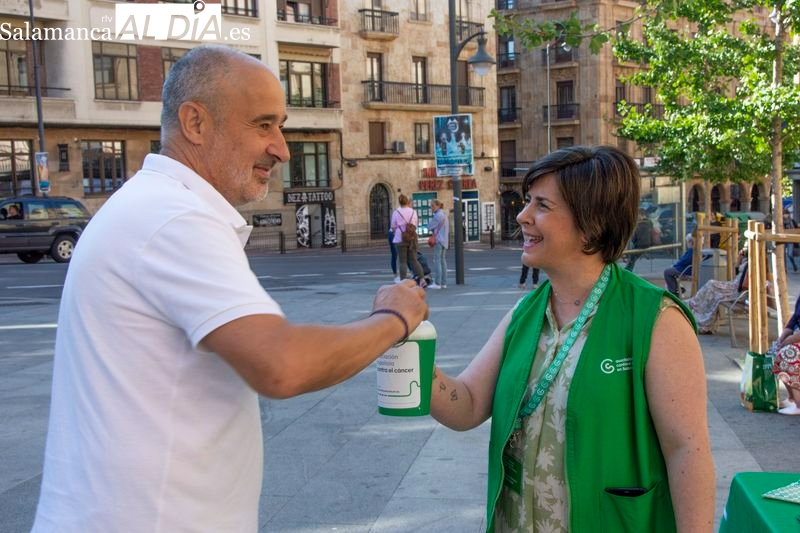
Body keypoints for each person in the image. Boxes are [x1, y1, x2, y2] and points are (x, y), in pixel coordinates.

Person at [31, 45, 429, 532]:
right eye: (263, 125)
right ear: (195, 123)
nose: (281, 148)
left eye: (280, 127)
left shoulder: (152, 205)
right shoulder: (173, 218)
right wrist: (394, 319)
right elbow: (282, 366)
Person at [429, 146, 714, 532]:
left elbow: (688, 451)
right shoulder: (525, 314)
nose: (523, 216)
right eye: (529, 201)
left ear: (590, 223)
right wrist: (406, 350)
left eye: (542, 205)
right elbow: (468, 403)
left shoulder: (656, 321)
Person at [685, 247, 748, 334]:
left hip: (737, 290)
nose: (743, 250)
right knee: (714, 294)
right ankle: (705, 323)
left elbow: (744, 285)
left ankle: (694, 304)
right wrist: (739, 259)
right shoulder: (747, 261)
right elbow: (737, 272)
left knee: (712, 285)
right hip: (734, 286)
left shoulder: (754, 264)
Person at [771, 293, 800, 415]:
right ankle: (792, 397)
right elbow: (794, 319)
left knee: (787, 355)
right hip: (796, 334)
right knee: (774, 352)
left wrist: (789, 340)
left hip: (797, 337)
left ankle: (799, 404)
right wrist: (781, 339)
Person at [391, 194, 426, 287]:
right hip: (412, 238)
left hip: (400, 238)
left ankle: (403, 282)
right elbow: (415, 224)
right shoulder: (413, 212)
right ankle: (422, 279)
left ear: (400, 202)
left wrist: (399, 230)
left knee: (402, 261)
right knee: (414, 260)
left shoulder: (396, 212)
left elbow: (393, 226)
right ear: (407, 201)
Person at [427, 199, 449, 289]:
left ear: (437, 206)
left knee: (437, 261)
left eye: (432, 206)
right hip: (444, 241)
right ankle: (444, 283)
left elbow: (429, 226)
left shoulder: (437, 216)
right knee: (443, 261)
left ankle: (437, 283)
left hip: (439, 240)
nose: (431, 208)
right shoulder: (444, 214)